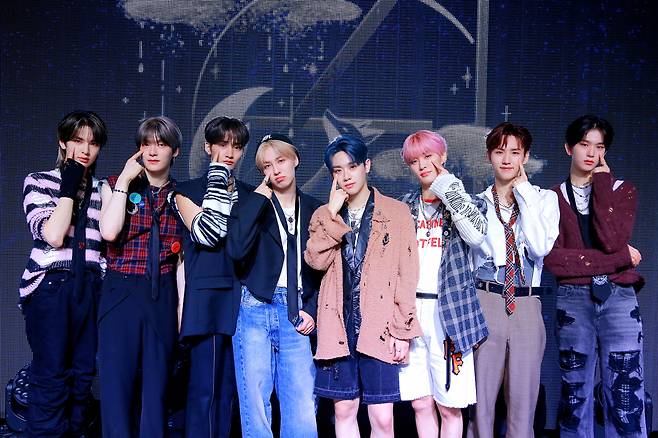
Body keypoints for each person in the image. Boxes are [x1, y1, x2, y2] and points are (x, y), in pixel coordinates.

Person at [305, 134, 422, 438]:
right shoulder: (322, 215)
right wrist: (331, 213)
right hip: (338, 324)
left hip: (380, 323)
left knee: (382, 415)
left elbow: (407, 275)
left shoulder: (397, 213)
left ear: (367, 165)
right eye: (337, 170)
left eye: (352, 167)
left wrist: (402, 330)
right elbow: (315, 262)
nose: (345, 176)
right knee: (343, 409)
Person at [544, 115, 646, 438]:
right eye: (584, 145)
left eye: (599, 147)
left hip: (619, 300)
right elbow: (554, 261)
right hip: (573, 302)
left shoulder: (622, 190)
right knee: (575, 397)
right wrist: (619, 260)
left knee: (625, 392)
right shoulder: (552, 197)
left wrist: (602, 183)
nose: (592, 154)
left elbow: (612, 239)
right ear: (568, 148)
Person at [466, 122, 559, 438]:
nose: (506, 159)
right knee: (481, 406)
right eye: (499, 151)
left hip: (526, 304)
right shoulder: (476, 203)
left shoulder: (544, 200)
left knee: (523, 404)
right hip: (485, 300)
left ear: (526, 156)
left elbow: (540, 246)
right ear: (489, 156)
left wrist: (522, 192)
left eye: (515, 152)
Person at [227, 133, 322, 437]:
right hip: (254, 307)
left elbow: (328, 271)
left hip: (296, 310)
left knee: (302, 405)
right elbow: (236, 250)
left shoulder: (314, 208)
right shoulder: (252, 205)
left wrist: (312, 308)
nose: (276, 170)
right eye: (267, 166)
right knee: (255, 401)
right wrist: (259, 197)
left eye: (280, 161)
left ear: (295, 159)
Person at [20, 110, 108, 437]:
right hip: (51, 286)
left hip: (91, 285)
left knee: (84, 377)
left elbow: (109, 240)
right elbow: (54, 236)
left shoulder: (102, 189)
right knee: (51, 375)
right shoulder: (39, 181)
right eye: (77, 140)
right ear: (62, 142)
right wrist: (69, 185)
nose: (85, 149)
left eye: (93, 142)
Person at [398, 130, 489, 438]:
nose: (422, 165)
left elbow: (476, 236)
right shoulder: (403, 207)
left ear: (443, 157)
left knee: (450, 406)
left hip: (450, 312)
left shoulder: (470, 203)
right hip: (411, 312)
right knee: (420, 403)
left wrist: (449, 188)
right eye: (414, 160)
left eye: (428, 156)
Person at [98, 116, 182, 437]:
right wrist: (124, 181)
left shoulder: (181, 195)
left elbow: (182, 263)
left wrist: (180, 312)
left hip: (161, 292)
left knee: (157, 391)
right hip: (120, 291)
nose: (153, 151)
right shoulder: (114, 184)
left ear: (175, 151)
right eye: (146, 144)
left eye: (161, 144)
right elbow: (109, 231)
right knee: (116, 389)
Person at [168, 116, 251, 438]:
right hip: (208, 300)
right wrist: (218, 176)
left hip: (244, 298)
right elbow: (209, 233)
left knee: (233, 392)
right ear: (207, 147)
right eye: (222, 144)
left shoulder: (249, 193)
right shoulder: (185, 191)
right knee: (206, 388)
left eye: (237, 146)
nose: (229, 152)